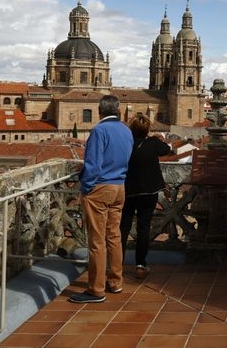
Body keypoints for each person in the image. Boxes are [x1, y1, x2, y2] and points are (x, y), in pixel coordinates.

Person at [69, 94, 133, 304]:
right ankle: (115, 282)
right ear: (118, 110)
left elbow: (95, 165)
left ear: (100, 111)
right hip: (119, 187)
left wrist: (86, 187)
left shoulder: (99, 130)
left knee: (97, 241)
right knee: (113, 236)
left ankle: (96, 290)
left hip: (100, 188)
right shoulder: (126, 130)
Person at [120, 114, 173, 279]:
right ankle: (140, 265)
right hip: (149, 192)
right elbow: (168, 150)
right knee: (144, 228)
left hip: (127, 192)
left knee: (123, 228)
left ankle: (117, 264)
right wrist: (153, 138)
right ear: (147, 129)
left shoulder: (125, 143)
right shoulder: (153, 143)